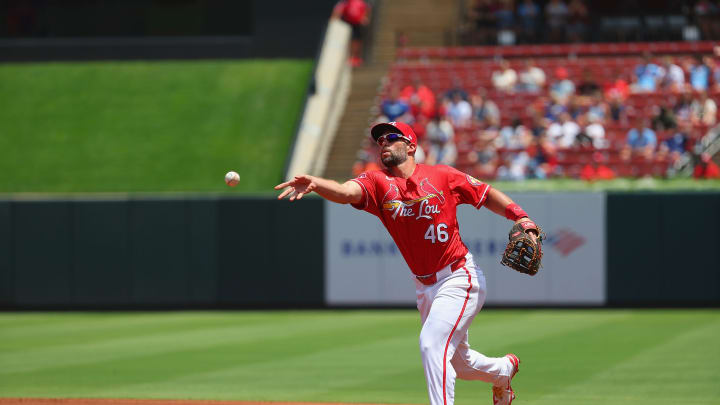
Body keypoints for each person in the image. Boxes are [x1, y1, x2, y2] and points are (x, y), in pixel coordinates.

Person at [276, 121, 538, 405]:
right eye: (379, 141)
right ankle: (503, 371)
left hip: (459, 277)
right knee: (459, 364)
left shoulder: (442, 175)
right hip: (425, 287)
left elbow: (485, 194)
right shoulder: (376, 182)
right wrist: (317, 183)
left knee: (432, 345)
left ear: (411, 145)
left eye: (390, 138)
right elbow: (344, 192)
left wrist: (520, 217)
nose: (383, 144)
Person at [332, 0, 371, 67]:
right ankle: (350, 57)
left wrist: (365, 17)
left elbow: (367, 9)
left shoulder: (361, 2)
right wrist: (334, 19)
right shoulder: (345, 2)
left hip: (357, 24)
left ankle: (356, 57)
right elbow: (338, 11)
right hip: (347, 23)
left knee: (357, 41)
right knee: (350, 41)